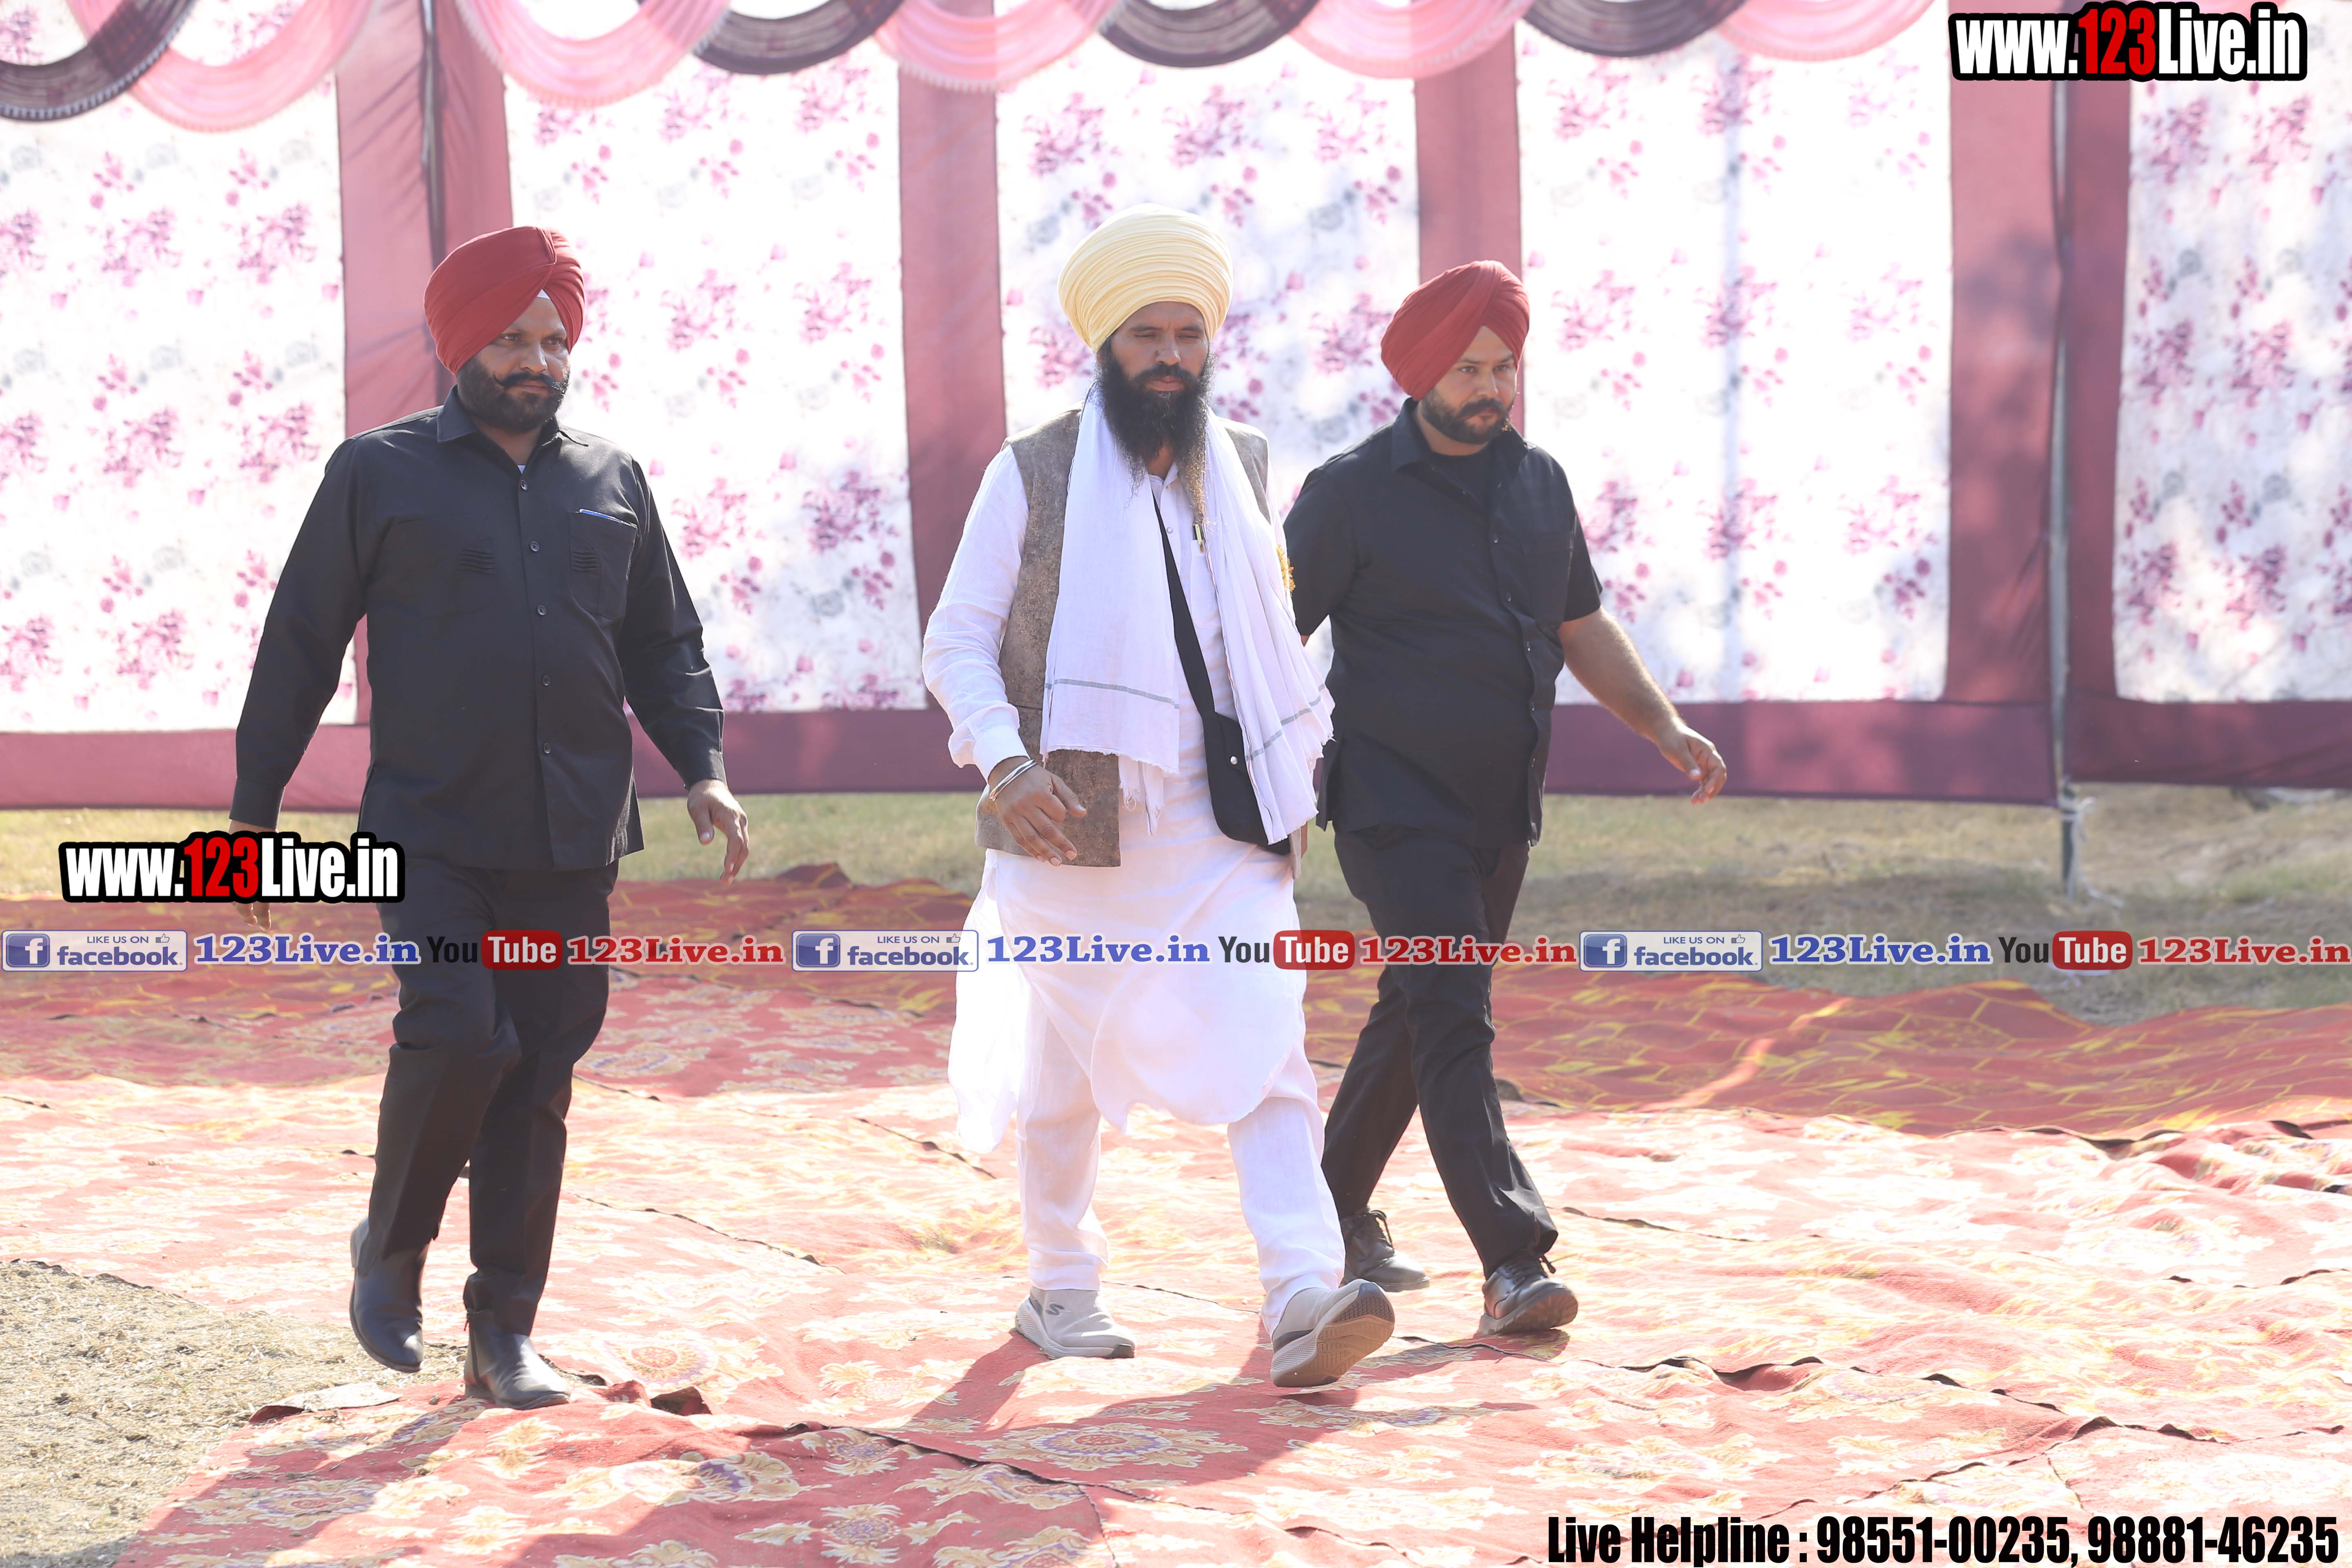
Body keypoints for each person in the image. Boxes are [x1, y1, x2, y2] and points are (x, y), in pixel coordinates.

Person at [229, 225, 750, 1408]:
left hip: (571, 835)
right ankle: (390, 1249)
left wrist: (703, 766)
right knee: (463, 1031)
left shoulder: (614, 479)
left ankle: (504, 1332)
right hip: (430, 830)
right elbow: (300, 644)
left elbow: (663, 641)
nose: (536, 360)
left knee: (539, 1069)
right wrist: (252, 819)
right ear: (461, 343)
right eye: (512, 338)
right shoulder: (377, 473)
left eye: (554, 340)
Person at [922, 205, 1392, 1388]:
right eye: (1148, 335)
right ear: (1105, 343)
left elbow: (1264, 637)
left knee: (1270, 1040)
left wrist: (1291, 758)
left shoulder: (1245, 463)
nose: (1172, 356)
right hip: (1069, 823)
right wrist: (1006, 762)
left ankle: (1302, 1295)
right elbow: (957, 640)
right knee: (1063, 1074)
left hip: (1225, 819)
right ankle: (1060, 1284)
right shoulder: (1031, 472)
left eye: (1189, 333)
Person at [1286, 261, 1728, 1336]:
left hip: (1501, 806)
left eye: (1505, 367)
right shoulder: (1348, 494)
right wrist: (1244, 778)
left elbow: (1579, 623)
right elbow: (1264, 638)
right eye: (1470, 369)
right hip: (1393, 805)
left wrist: (1662, 724)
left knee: (1419, 1007)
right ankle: (1514, 1261)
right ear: (1423, 375)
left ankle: (1325, 1210)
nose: (1492, 388)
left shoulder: (1540, 483)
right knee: (1455, 1013)